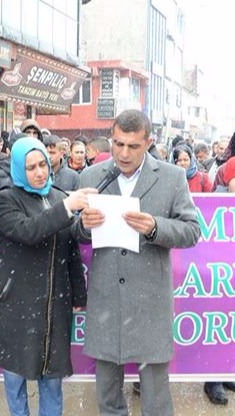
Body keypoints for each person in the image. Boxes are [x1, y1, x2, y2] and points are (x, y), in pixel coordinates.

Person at [73, 109, 201, 416]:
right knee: (107, 394)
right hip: (106, 299)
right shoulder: (91, 176)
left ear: (149, 142)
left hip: (150, 299)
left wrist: (155, 227)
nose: (123, 153)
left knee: (155, 397)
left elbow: (192, 231)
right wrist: (83, 225)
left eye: (133, 146)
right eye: (118, 144)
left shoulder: (172, 178)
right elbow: (75, 232)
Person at [0, 136, 91, 416]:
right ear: (18, 169)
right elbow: (28, 231)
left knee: (52, 379)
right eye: (30, 167)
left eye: (42, 164)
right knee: (15, 377)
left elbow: (71, 250)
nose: (39, 172)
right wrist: (65, 209)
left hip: (54, 302)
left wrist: (78, 291)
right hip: (16, 301)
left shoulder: (59, 196)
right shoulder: (5, 199)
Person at [204, 156, 235, 405]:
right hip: (217, 274)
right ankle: (212, 379)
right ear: (227, 178)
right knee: (217, 328)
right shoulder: (212, 202)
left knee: (234, 327)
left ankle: (226, 373)